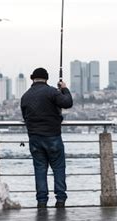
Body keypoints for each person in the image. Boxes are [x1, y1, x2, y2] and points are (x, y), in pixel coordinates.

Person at [21, 68, 73, 208]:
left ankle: (42, 201)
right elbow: (67, 103)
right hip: (53, 136)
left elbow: (25, 116)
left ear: (32, 78)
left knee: (40, 169)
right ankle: (60, 200)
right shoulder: (52, 92)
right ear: (47, 78)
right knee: (58, 168)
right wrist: (64, 89)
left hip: (35, 138)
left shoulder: (25, 96)